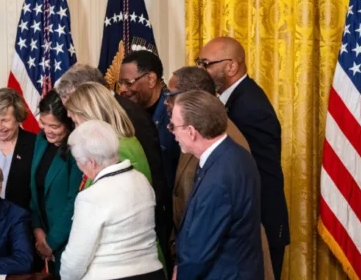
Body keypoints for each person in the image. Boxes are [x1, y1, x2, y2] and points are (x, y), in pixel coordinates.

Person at [167, 65, 274, 279]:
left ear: (191, 131)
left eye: (173, 126)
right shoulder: (236, 155)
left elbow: (201, 250)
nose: (172, 132)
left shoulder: (218, 178)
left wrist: (183, 271)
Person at [197, 36, 289, 278]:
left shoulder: (249, 106)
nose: (202, 70)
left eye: (206, 63)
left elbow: (258, 172)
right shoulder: (234, 101)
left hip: (260, 225)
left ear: (231, 66)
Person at [64, 81, 169, 272]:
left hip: (124, 263)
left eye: (77, 122)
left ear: (90, 116)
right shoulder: (119, 141)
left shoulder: (117, 149)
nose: (76, 129)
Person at [31, 90, 83, 275]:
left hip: (66, 241)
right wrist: (38, 230)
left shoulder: (77, 151)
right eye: (43, 123)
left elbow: (74, 202)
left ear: (68, 124)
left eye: (54, 126)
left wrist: (51, 242)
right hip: (43, 235)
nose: (47, 130)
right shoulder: (41, 139)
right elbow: (34, 189)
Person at [119, 50, 179, 192]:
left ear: (151, 79)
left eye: (128, 83)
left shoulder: (175, 115)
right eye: (121, 83)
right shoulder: (125, 113)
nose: (122, 89)